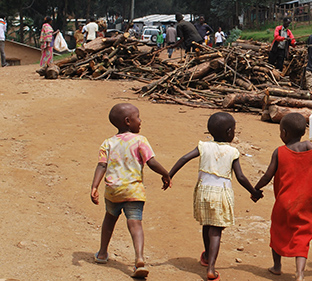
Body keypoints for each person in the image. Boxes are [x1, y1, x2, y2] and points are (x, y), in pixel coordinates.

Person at [167, 112, 263, 281]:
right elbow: (240, 177)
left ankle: (205, 256)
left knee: (207, 224)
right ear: (229, 132)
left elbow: (184, 158)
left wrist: (169, 175)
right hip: (221, 194)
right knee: (216, 230)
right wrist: (253, 191)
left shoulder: (204, 146)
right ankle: (211, 268)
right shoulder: (232, 151)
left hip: (204, 191)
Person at [90, 103, 171, 279]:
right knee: (135, 224)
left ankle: (102, 253)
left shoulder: (108, 143)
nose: (140, 121)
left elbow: (101, 165)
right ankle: (139, 259)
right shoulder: (140, 140)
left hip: (113, 191)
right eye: (138, 117)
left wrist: (94, 186)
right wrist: (166, 174)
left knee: (109, 220)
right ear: (128, 121)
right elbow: (151, 162)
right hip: (134, 191)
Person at [253, 113, 312, 281]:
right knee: (302, 236)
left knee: (277, 232)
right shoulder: (310, 148)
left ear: (284, 133)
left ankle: (277, 266)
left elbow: (268, 175)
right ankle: (300, 273)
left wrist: (256, 189)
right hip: (306, 203)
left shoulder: (279, 152)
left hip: (283, 202)